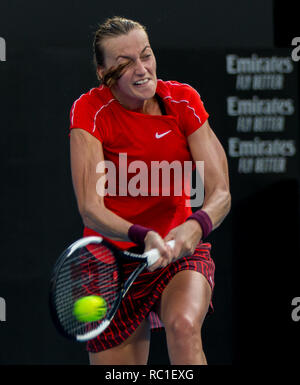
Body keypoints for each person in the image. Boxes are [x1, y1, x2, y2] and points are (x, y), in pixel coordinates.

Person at [69, 16, 231, 365]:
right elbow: (90, 208)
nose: (142, 69)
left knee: (185, 326)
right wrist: (141, 235)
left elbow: (221, 193)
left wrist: (195, 225)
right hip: (111, 262)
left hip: (177, 253)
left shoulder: (183, 101)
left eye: (146, 55)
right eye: (125, 63)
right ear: (102, 73)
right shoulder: (91, 111)